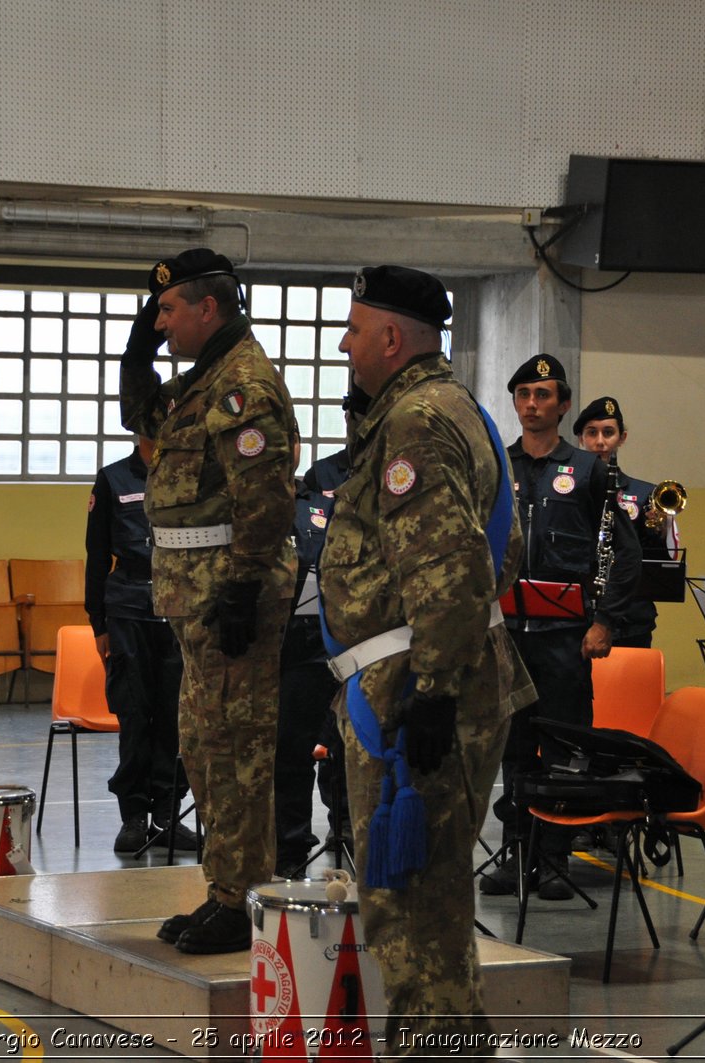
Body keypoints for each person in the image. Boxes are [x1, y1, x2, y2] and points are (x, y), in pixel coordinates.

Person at [319, 265, 534, 1056]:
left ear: (390, 337)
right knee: (435, 906)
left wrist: (434, 689)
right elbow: (498, 549)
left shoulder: (414, 419)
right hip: (423, 673)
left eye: (352, 329)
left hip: (417, 688)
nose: (344, 345)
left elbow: (451, 565)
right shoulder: (458, 408)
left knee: (410, 910)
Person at [118, 248, 298, 955]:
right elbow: (144, 417)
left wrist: (242, 586)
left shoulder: (243, 386)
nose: (160, 324)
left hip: (231, 595)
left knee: (238, 748)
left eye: (167, 311)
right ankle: (226, 888)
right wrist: (137, 355)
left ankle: (245, 894)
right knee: (205, 743)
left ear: (208, 307)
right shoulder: (204, 381)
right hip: (196, 595)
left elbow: (267, 499)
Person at [480, 357, 640, 900]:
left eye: (543, 394)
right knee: (515, 749)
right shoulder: (500, 465)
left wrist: (605, 621)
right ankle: (516, 854)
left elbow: (624, 551)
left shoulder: (590, 469)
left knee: (564, 750)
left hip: (566, 637)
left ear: (562, 404)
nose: (532, 403)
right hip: (508, 633)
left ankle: (555, 859)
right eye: (523, 393)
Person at [83, 437, 192, 854]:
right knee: (134, 713)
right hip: (128, 609)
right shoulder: (113, 478)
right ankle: (133, 816)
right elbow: (96, 554)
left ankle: (167, 814)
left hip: (178, 607)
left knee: (173, 715)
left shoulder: (187, 476)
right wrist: (98, 621)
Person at [273, 443, 351, 878]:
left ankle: (292, 848)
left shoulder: (320, 503)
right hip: (250, 648)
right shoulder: (236, 505)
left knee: (295, 751)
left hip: (306, 648)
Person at [573, 395, 680, 648]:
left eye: (608, 433)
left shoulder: (645, 494)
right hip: (580, 614)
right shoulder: (570, 491)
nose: (600, 442)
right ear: (581, 439)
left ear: (622, 438)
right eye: (592, 433)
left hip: (632, 618)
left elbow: (659, 564)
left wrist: (659, 528)